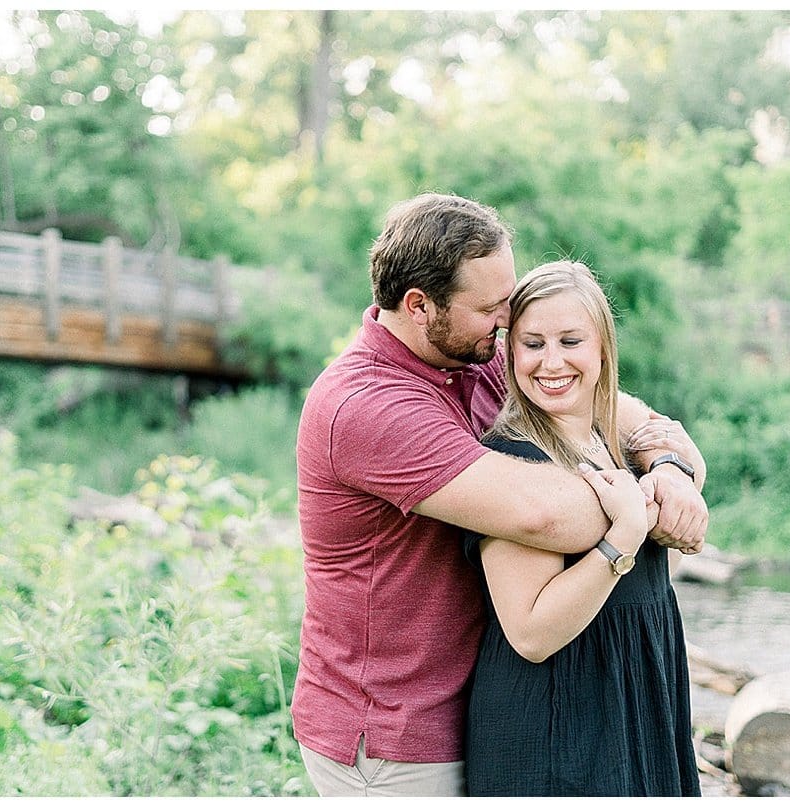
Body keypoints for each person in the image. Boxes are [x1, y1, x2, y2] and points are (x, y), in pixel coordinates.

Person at [292, 193, 707, 797]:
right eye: (491, 307)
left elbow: (625, 413)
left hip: (474, 701)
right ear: (419, 305)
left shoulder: (475, 354)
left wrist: (667, 465)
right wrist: (639, 510)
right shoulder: (366, 405)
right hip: (393, 737)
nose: (509, 321)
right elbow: (542, 516)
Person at [463, 260, 701, 796]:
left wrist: (676, 475)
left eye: (571, 341)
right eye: (533, 343)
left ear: (602, 349)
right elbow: (530, 633)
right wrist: (621, 539)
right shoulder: (514, 459)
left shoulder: (617, 440)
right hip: (556, 723)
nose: (552, 362)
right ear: (510, 352)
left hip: (638, 698)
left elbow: (668, 559)